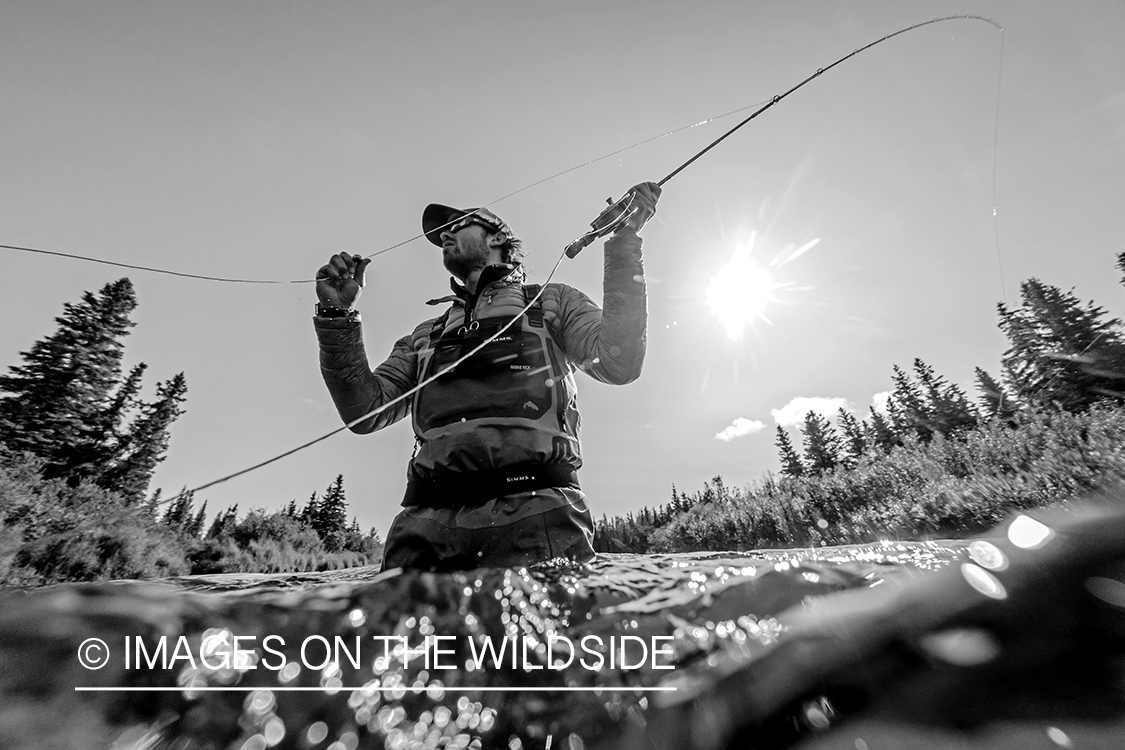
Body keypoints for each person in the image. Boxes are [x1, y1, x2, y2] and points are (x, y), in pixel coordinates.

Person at [313, 182, 661, 571]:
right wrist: (335, 317)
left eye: (458, 224)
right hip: (423, 530)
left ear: (497, 236)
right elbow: (365, 411)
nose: (445, 234)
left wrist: (624, 239)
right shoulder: (424, 335)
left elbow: (619, 362)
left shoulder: (553, 302)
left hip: (536, 516)